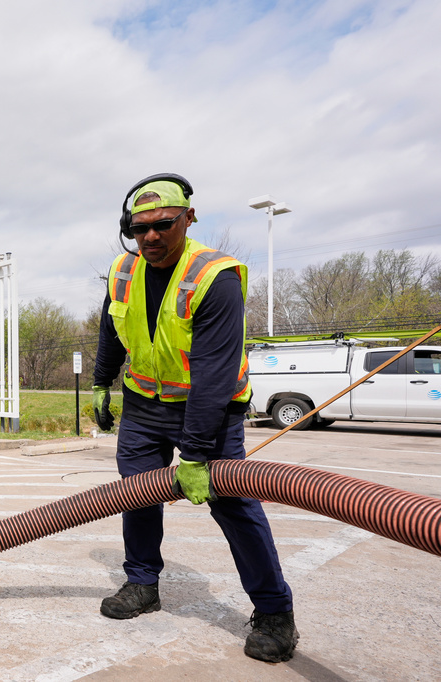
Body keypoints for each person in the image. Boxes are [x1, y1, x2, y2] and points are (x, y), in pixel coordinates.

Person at [91, 173, 298, 663]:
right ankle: (142, 583)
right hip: (143, 405)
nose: (151, 237)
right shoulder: (124, 270)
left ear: (188, 218)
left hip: (212, 407)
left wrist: (197, 452)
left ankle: (274, 613)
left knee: (233, 504)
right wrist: (101, 382)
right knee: (136, 495)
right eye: (139, 228)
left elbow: (213, 374)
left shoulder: (214, 277)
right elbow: (110, 328)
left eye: (163, 225)